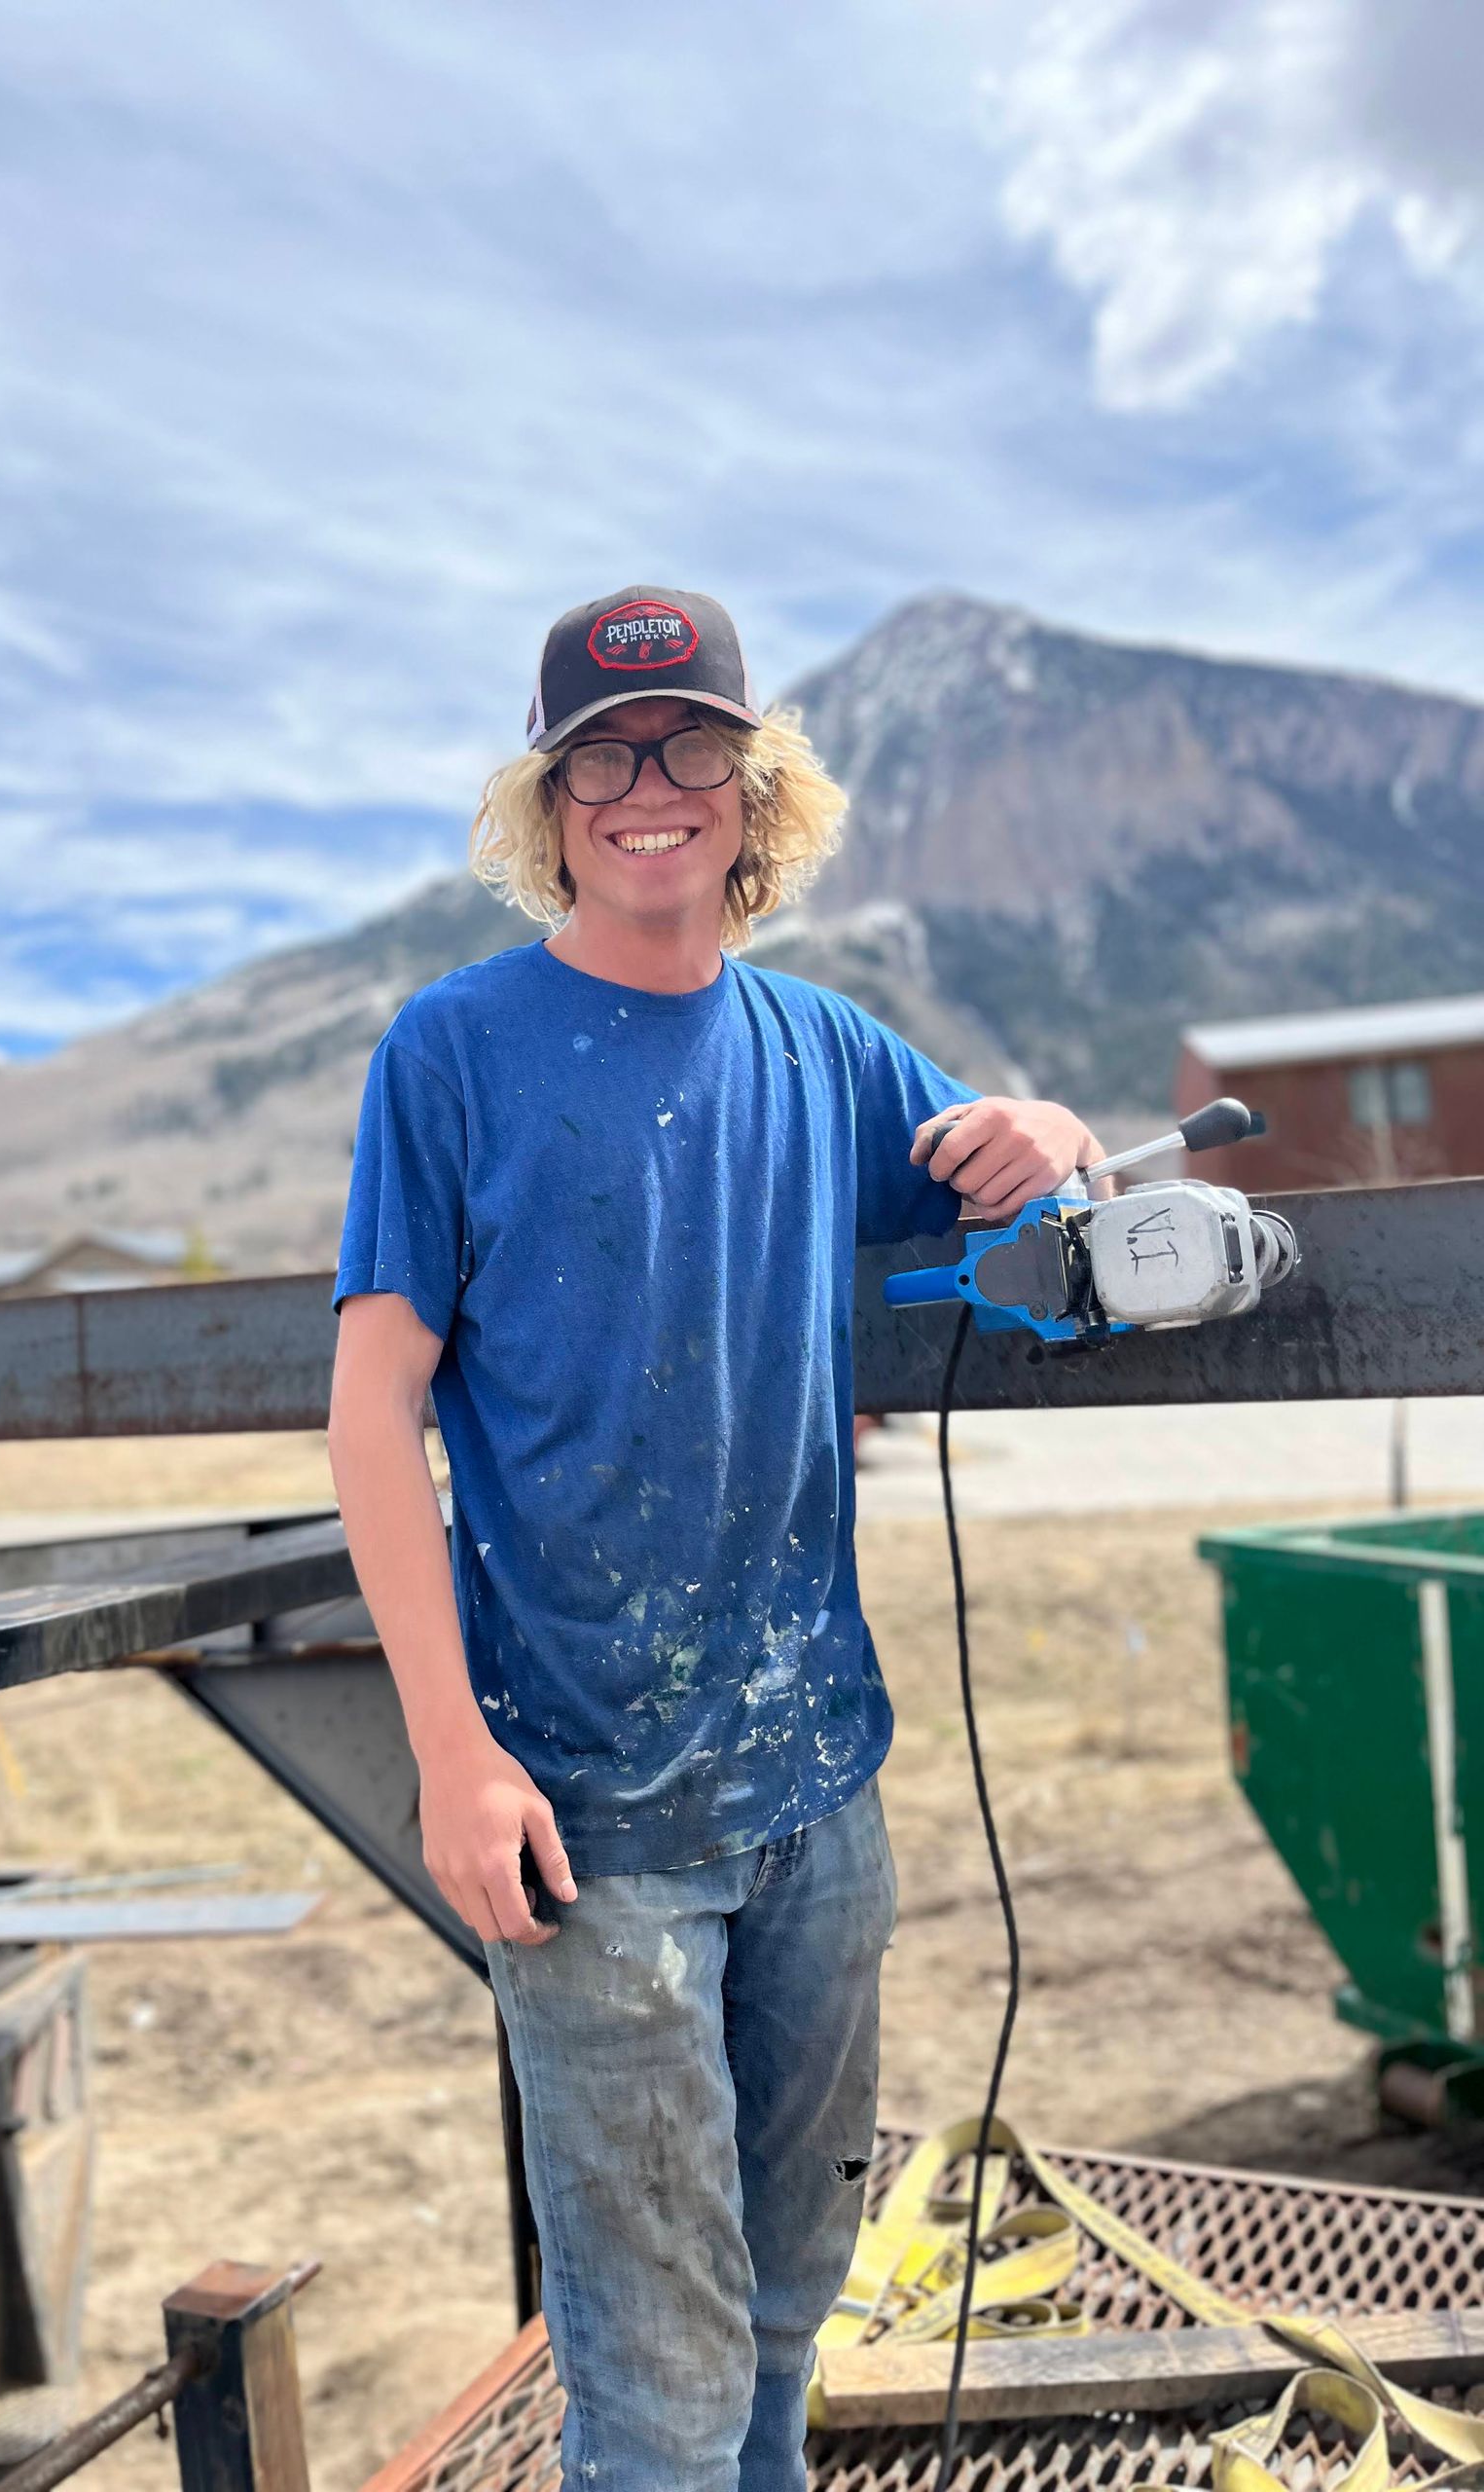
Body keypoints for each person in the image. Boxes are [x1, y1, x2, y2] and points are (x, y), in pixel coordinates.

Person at [326, 586, 1101, 2492]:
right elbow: (370, 1405)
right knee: (656, 2376)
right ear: (551, 799)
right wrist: (450, 1750)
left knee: (781, 2306)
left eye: (690, 748)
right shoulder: (452, 1050)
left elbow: (1021, 1196)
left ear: (758, 794)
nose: (646, 788)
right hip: (589, 1824)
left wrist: (1060, 1127)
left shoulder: (828, 1052)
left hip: (822, 1794)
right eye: (602, 754)